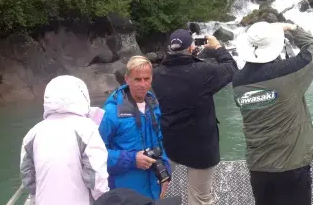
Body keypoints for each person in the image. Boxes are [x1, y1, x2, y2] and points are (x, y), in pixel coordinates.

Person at [232, 21, 313, 205]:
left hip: (259, 165)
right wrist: (292, 28)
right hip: (292, 165)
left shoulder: (238, 81)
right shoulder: (289, 72)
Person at [151, 29, 237, 205]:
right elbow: (231, 69)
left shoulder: (157, 74)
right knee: (200, 197)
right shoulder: (202, 71)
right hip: (201, 146)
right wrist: (217, 48)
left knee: (159, 188)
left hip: (171, 142)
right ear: (191, 48)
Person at [19, 75, 109, 204]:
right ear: (82, 96)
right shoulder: (87, 129)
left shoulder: (33, 133)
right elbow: (96, 176)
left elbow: (27, 176)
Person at [99, 56, 172, 200]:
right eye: (137, 79)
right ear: (127, 79)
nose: (143, 84)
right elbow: (97, 155)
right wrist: (132, 159)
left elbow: (160, 143)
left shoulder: (154, 106)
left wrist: (165, 172)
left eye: (147, 79)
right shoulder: (111, 112)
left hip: (153, 188)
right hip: (124, 194)